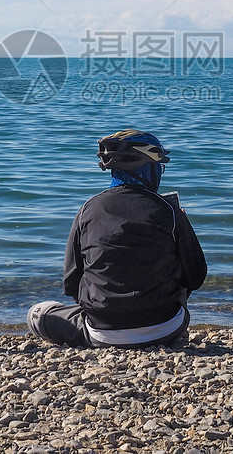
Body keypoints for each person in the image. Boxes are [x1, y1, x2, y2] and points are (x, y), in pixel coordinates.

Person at [28, 129, 207, 348]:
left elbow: (71, 283)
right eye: (159, 167)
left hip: (102, 331)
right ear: (148, 169)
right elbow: (196, 277)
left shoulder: (88, 209)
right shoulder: (169, 211)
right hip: (166, 326)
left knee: (36, 313)